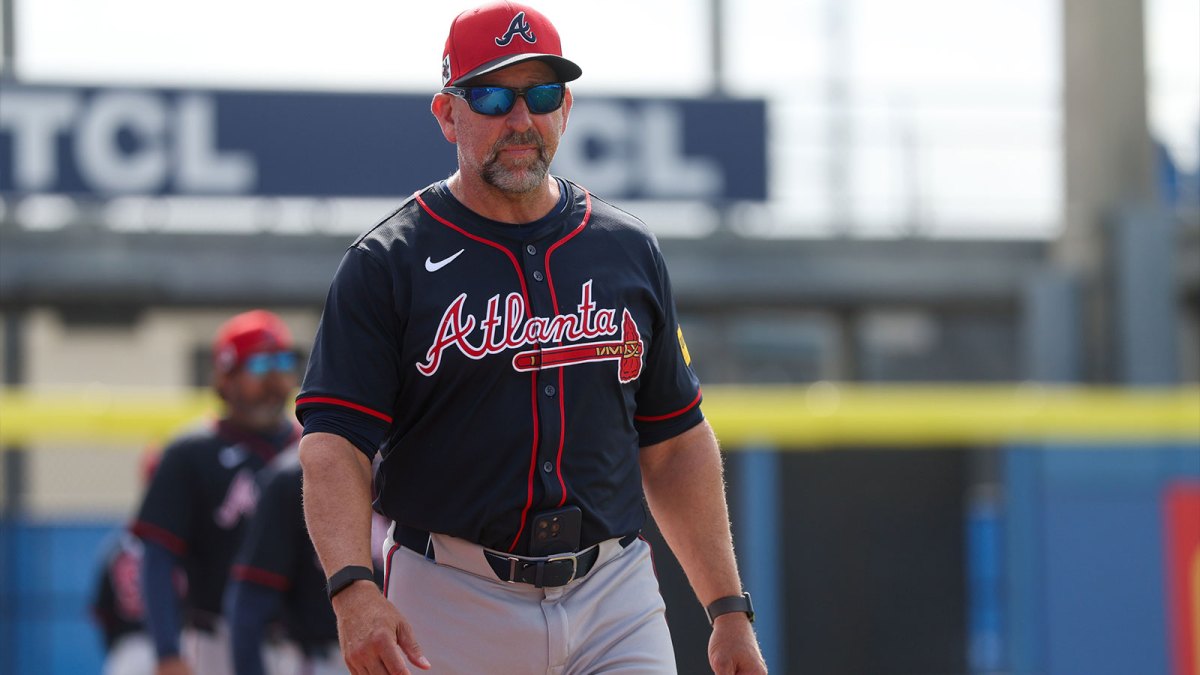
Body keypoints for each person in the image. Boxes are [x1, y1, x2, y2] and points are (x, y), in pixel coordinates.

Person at [295, 2, 768, 673]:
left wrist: (727, 609)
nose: (520, 120)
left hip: (613, 589)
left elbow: (674, 441)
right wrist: (352, 589)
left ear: (566, 108)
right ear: (447, 114)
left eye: (541, 94)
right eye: (492, 95)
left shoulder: (628, 250)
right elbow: (334, 445)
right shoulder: (388, 261)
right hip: (452, 592)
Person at [132, 310, 302, 675]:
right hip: (216, 642)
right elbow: (158, 560)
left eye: (283, 362)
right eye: (258, 365)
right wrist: (166, 651)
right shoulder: (189, 453)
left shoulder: (313, 449)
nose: (274, 378)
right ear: (225, 379)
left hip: (306, 646)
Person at [224, 447, 388, 675]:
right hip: (324, 660)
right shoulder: (292, 479)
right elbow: (252, 598)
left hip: (411, 655)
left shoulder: (408, 471)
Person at [90, 448, 161, 675]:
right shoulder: (184, 544)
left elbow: (102, 610)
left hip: (129, 649)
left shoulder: (118, 546)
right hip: (176, 646)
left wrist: (115, 646)